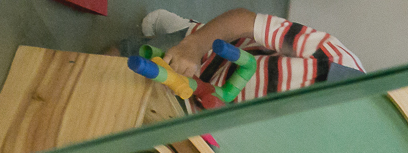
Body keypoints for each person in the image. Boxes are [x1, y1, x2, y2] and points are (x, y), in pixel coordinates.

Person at [115, 8, 364, 110]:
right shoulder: (329, 55)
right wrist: (193, 46)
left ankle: (183, 28)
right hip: (212, 55)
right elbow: (245, 21)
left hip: (201, 106)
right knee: (121, 61)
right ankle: (186, 29)